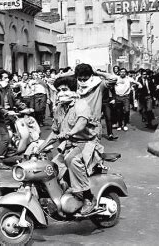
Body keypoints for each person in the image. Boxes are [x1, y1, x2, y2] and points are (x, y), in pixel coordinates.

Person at [40, 76, 103, 215]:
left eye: (65, 89)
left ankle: (88, 197)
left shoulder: (81, 104)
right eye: (59, 90)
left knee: (71, 160)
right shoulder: (59, 109)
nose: (61, 93)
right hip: (69, 145)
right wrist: (40, 147)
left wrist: (70, 133)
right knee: (52, 166)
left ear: (73, 91)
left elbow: (81, 123)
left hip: (86, 143)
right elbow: (54, 132)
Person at [0, 69, 22, 170]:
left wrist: (25, 108)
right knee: (6, 136)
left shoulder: (8, 88)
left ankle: (12, 151)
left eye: (8, 78)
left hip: (9, 114)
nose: (7, 80)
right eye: (5, 78)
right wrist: (5, 111)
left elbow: (15, 100)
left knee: (18, 131)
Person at [73, 63, 117, 138]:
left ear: (91, 77)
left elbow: (113, 78)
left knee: (92, 147)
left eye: (85, 79)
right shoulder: (76, 86)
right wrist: (74, 72)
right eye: (80, 79)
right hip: (77, 122)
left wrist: (96, 72)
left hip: (93, 124)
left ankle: (110, 133)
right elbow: (57, 80)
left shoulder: (99, 86)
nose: (82, 82)